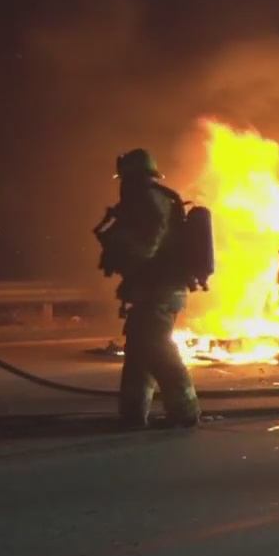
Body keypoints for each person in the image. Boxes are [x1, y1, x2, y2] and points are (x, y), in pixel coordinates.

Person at [98, 148, 201, 429]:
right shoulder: (150, 198)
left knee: (156, 348)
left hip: (160, 288)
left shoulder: (148, 199)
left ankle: (185, 411)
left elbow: (147, 244)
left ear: (131, 176)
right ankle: (133, 414)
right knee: (140, 349)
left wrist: (120, 245)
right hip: (153, 288)